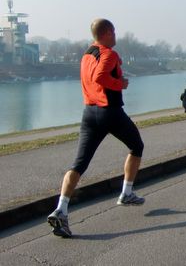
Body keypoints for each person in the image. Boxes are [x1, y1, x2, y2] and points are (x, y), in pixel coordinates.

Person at [47, 19, 145, 238]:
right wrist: (121, 84)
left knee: (79, 164)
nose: (116, 35)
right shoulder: (108, 54)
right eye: (115, 31)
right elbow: (100, 77)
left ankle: (61, 209)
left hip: (89, 113)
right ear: (108, 33)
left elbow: (92, 78)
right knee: (137, 146)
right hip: (109, 112)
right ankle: (126, 193)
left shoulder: (87, 54)